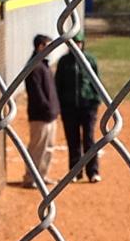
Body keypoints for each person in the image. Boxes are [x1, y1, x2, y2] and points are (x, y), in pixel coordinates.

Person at [55, 30, 103, 182]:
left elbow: (97, 82)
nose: (76, 45)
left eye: (79, 43)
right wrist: (60, 105)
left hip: (87, 106)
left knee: (89, 139)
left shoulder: (90, 60)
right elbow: (58, 85)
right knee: (73, 140)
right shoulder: (64, 62)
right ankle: (75, 171)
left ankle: (93, 171)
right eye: (73, 43)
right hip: (69, 107)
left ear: (82, 44)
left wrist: (95, 101)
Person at [22, 33, 59, 188]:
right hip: (40, 115)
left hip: (50, 114)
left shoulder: (44, 65)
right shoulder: (34, 66)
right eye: (48, 45)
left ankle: (42, 175)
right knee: (37, 147)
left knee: (48, 147)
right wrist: (47, 107)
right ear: (40, 47)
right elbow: (37, 93)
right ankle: (31, 177)